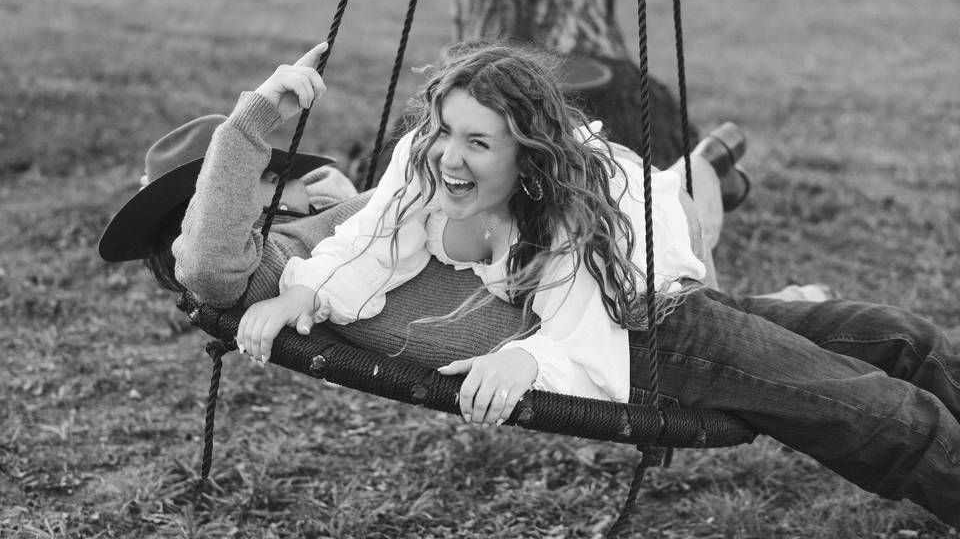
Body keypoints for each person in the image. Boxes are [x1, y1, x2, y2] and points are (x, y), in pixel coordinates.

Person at [234, 41, 959, 527]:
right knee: (883, 414)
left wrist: (527, 360)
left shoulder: (572, 198)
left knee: (900, 341)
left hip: (656, 320)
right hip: (653, 341)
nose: (450, 156)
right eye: (445, 130)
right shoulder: (424, 165)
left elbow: (585, 308)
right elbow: (374, 237)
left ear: (529, 154)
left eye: (478, 142)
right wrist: (305, 293)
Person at [98, 41, 785, 367]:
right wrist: (249, 130)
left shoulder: (304, 237)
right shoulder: (252, 271)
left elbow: (406, 215)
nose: (270, 186)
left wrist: (341, 198)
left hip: (575, 262)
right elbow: (212, 258)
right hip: (583, 314)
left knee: (668, 202)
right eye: (245, 182)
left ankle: (714, 179)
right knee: (680, 200)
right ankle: (713, 169)